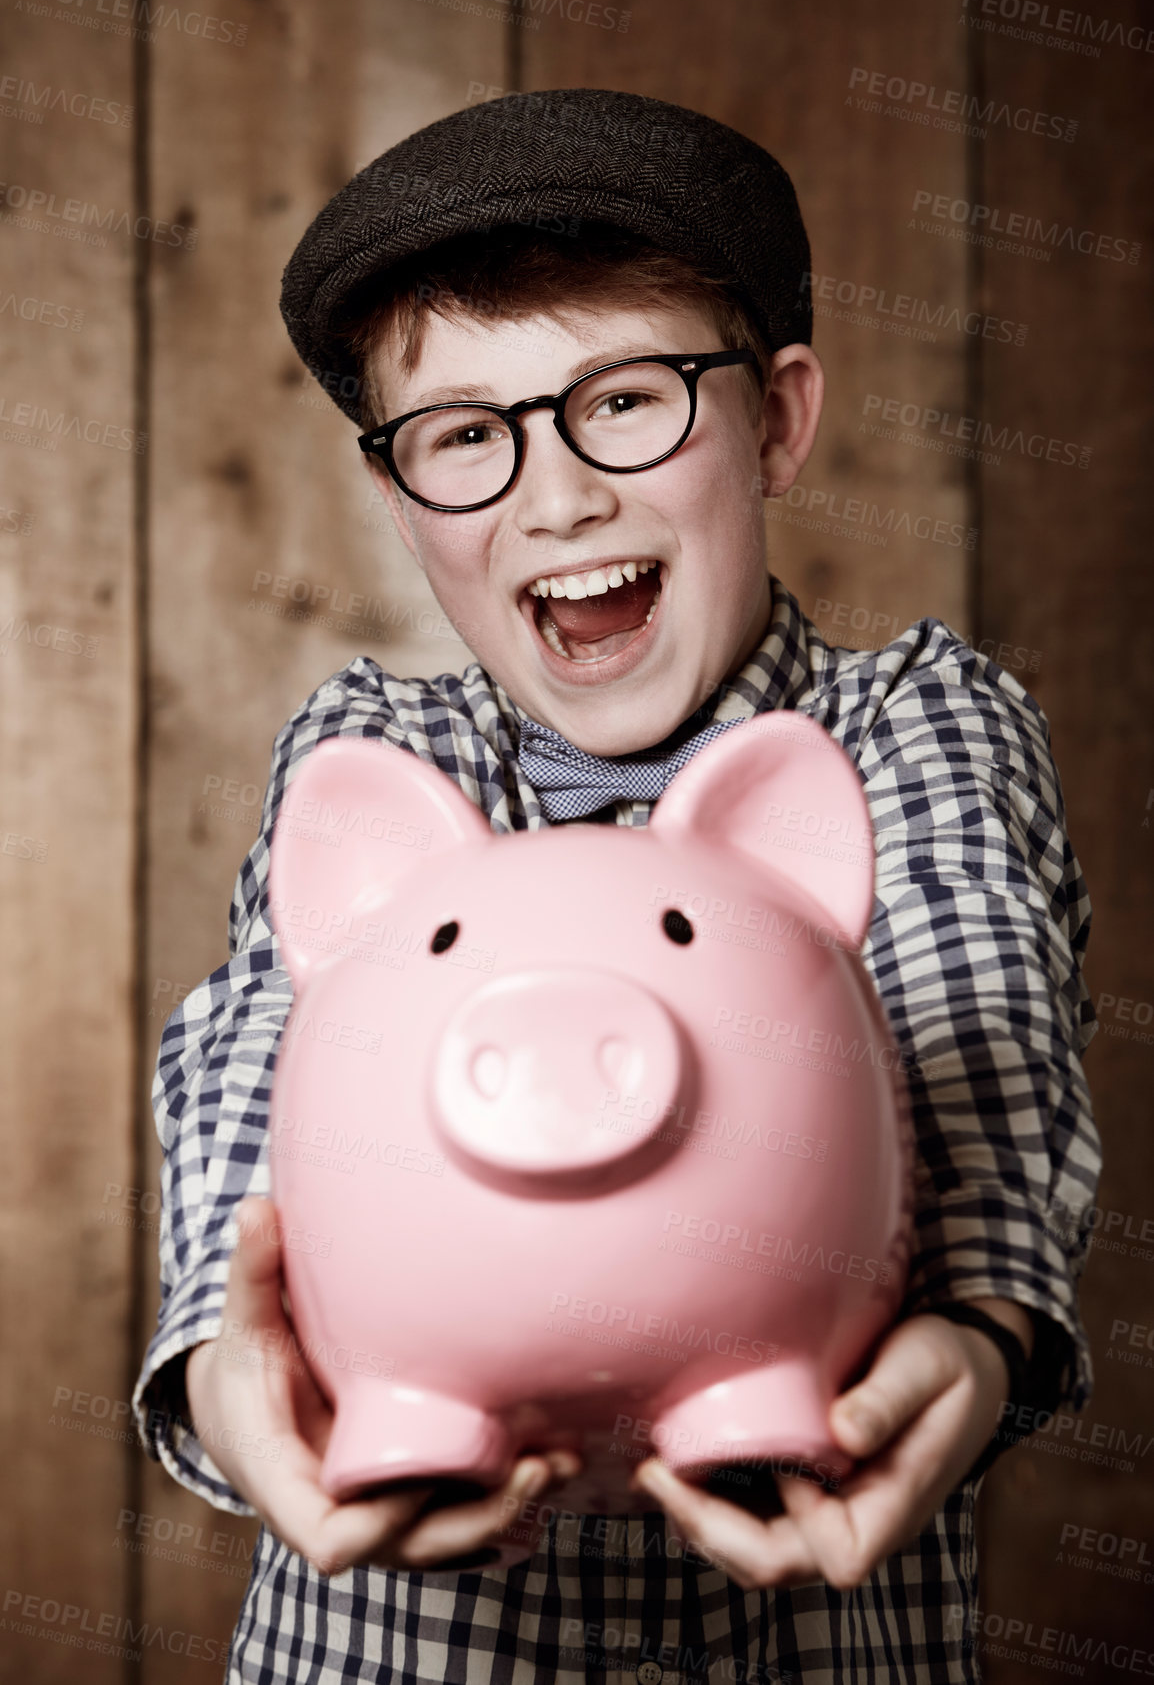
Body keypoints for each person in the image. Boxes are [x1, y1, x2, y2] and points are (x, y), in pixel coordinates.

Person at [134, 88, 1101, 1684]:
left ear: (778, 422)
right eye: (465, 435)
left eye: (628, 402)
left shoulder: (904, 729)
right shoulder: (381, 747)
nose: (557, 494)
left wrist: (980, 1332)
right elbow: (255, 1043)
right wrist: (237, 1365)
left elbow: (970, 1001)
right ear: (396, 497)